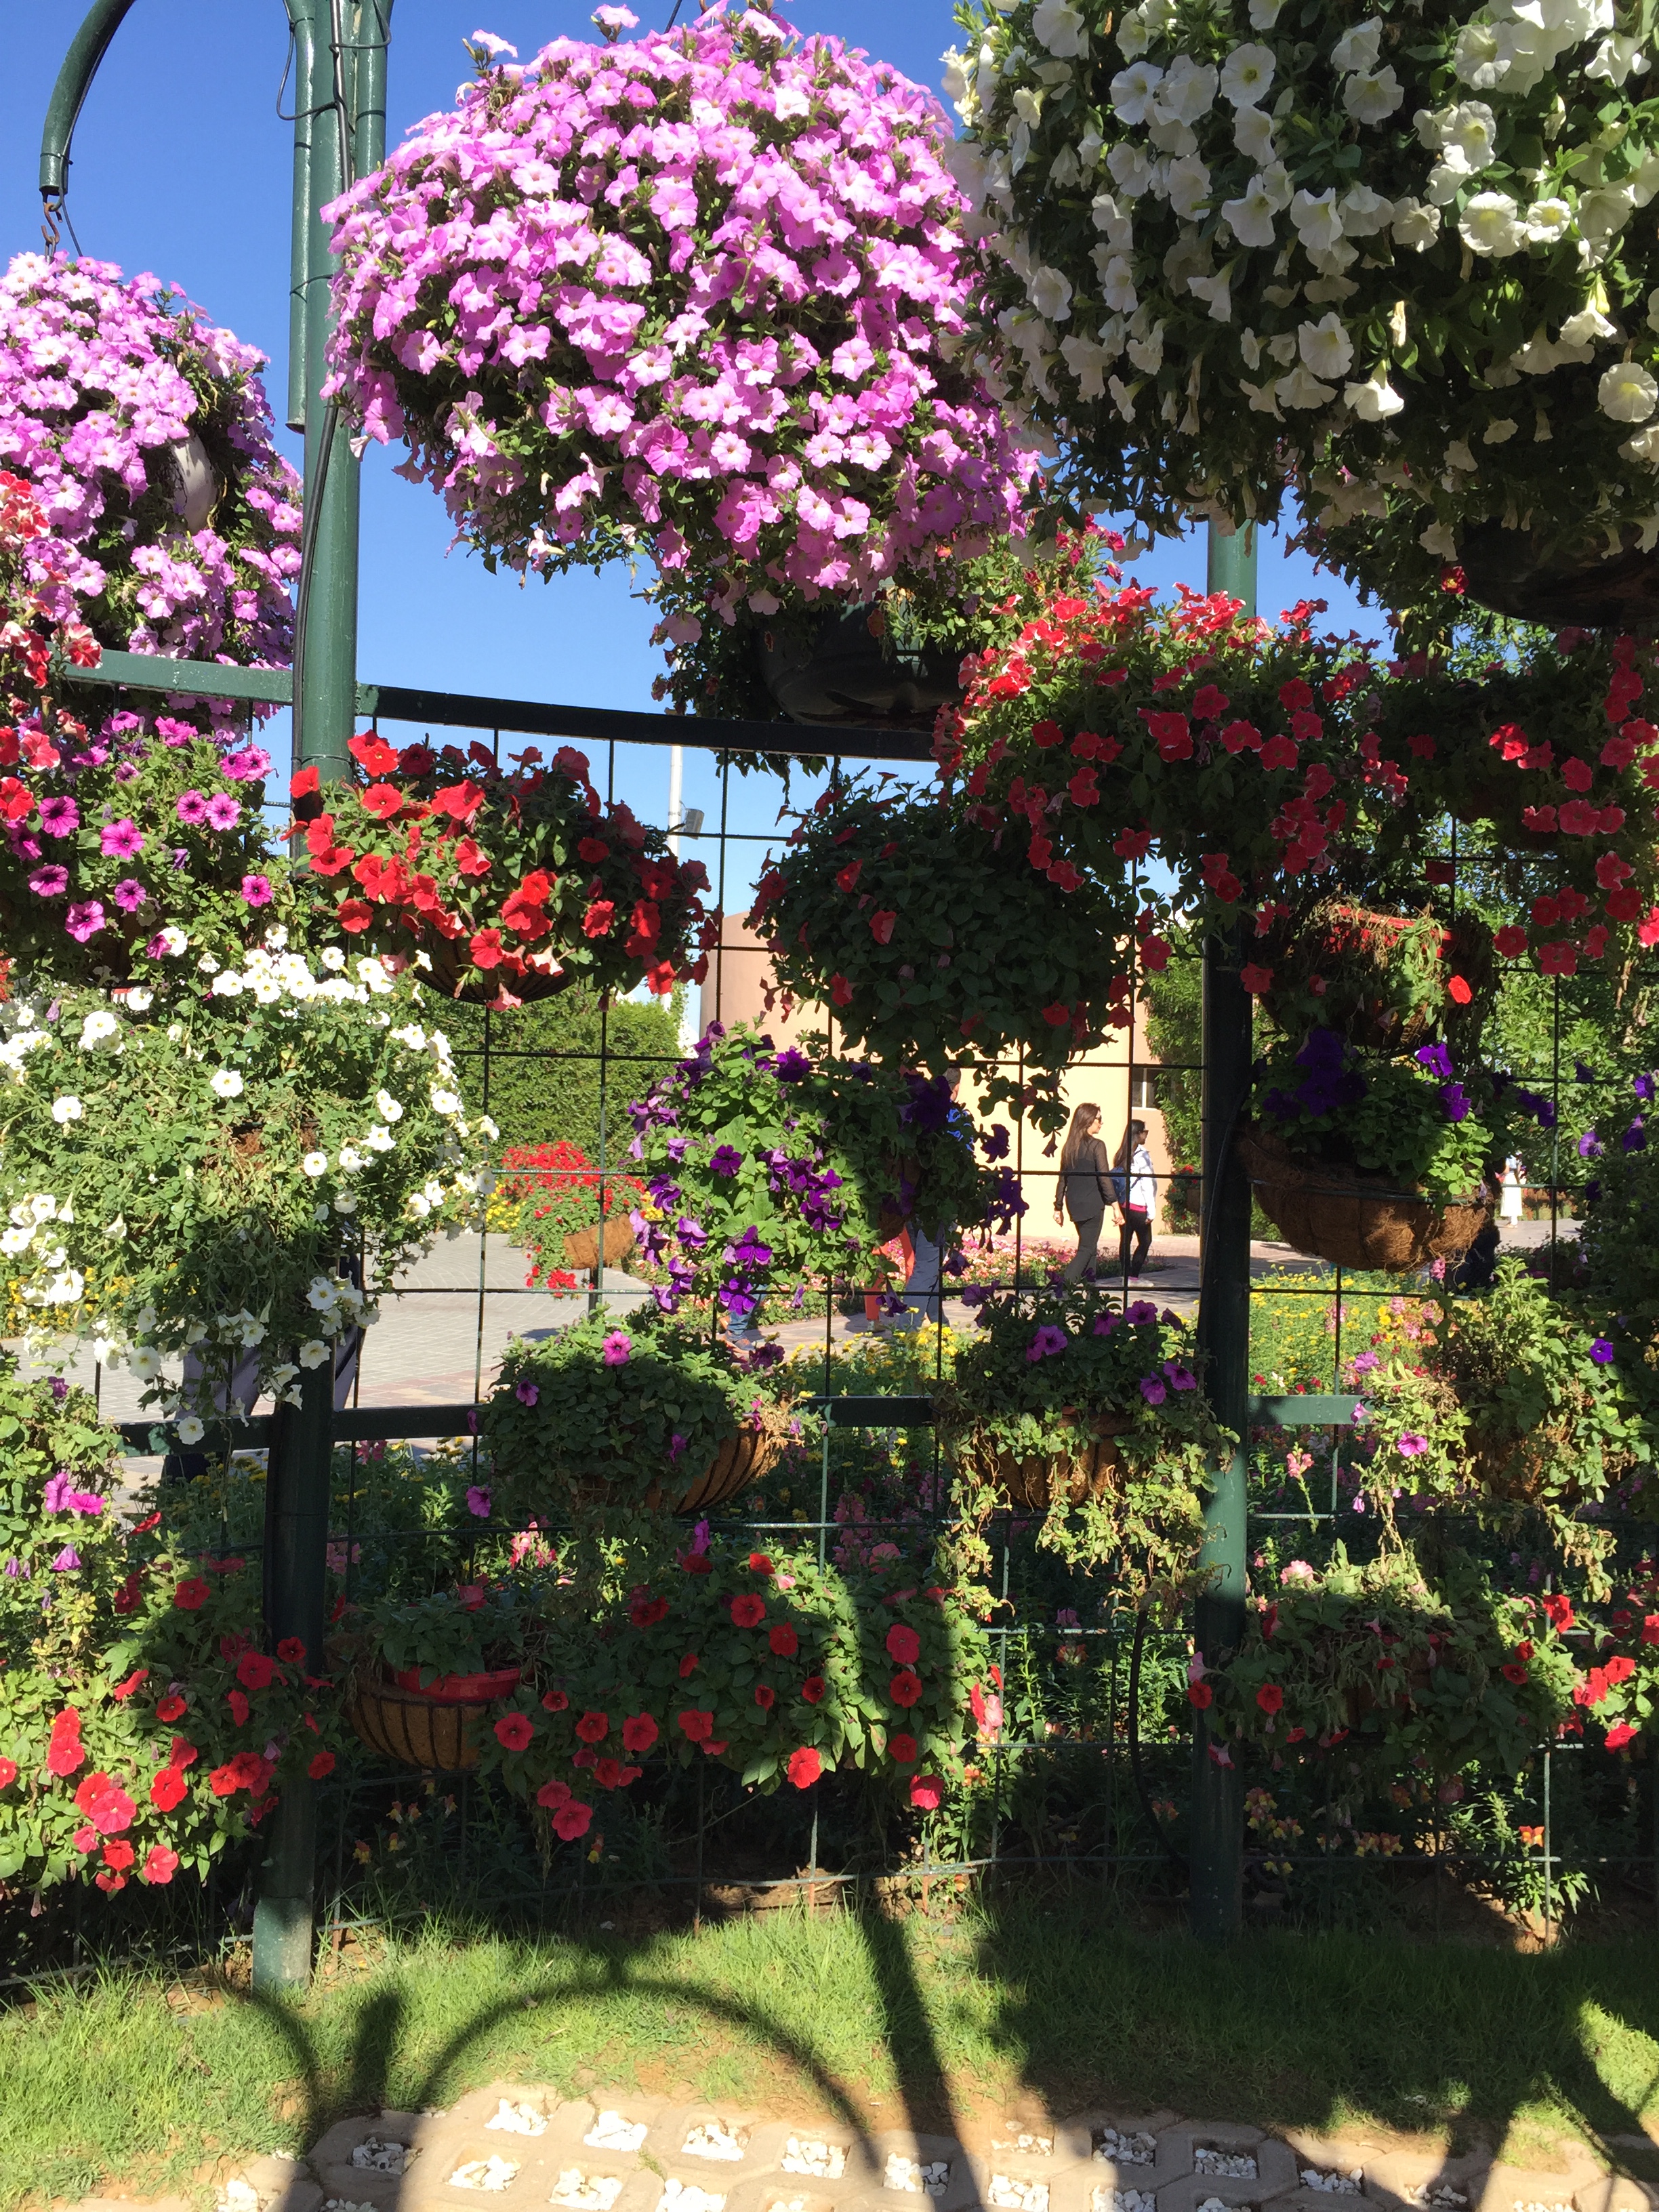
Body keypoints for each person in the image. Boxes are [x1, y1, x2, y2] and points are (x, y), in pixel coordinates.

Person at [1052, 1101, 1115, 1286]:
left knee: (1091, 1249)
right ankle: (1064, 1288)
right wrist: (1115, 1205)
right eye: (1099, 1119)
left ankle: (1091, 1295)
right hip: (1093, 1205)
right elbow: (1104, 1177)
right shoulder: (1097, 1146)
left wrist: (1058, 1207)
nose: (1101, 1123)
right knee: (1086, 1249)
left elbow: (1062, 1179)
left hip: (1074, 1205)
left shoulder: (1069, 1148)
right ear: (1088, 1120)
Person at [1115, 1119, 1156, 1279]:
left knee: (1125, 1241)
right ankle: (1133, 1277)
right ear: (1138, 1134)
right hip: (1138, 1205)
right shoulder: (1142, 1155)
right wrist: (1151, 1211)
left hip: (1124, 1205)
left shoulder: (1121, 1153)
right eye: (1145, 1132)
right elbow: (1147, 1184)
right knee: (1145, 1241)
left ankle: (1125, 1276)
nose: (1146, 1135)